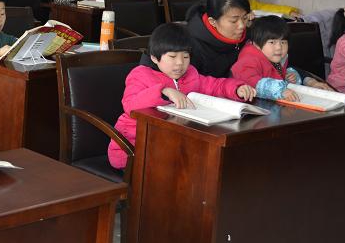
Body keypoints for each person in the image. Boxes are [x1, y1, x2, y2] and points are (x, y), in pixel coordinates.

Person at [107, 23, 256, 169]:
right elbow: (130, 104)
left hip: (171, 144)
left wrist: (236, 89)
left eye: (185, 57)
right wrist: (163, 92)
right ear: (154, 57)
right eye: (172, 56)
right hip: (134, 147)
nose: (180, 63)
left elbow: (213, 85)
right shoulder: (140, 75)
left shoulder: (190, 74)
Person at [231, 16, 331, 101]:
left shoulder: (274, 56)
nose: (279, 47)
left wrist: (293, 77)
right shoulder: (249, 59)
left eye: (283, 42)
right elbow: (251, 81)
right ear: (256, 44)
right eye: (272, 42)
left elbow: (278, 74)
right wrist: (280, 90)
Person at [185, 0, 251, 78]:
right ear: (213, 22)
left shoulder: (247, 36)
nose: (242, 26)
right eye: (234, 21)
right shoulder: (192, 46)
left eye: (245, 18)